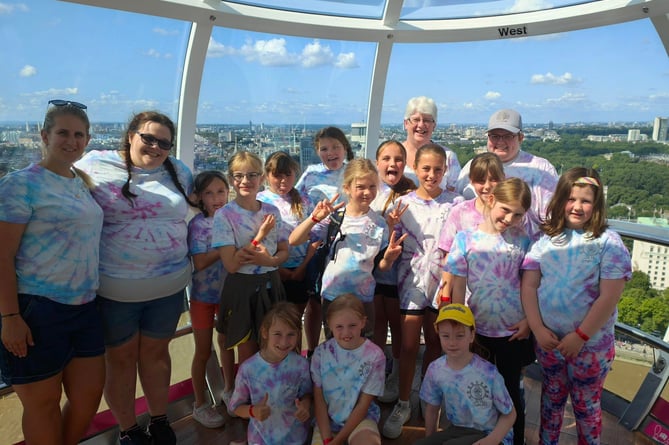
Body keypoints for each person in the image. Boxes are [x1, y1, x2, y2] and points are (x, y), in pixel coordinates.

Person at [76, 111, 194, 445]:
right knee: (122, 360)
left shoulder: (179, 171)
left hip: (170, 288)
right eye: (148, 138)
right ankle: (129, 429)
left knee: (157, 356)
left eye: (164, 143)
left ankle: (159, 420)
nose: (155, 147)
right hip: (115, 290)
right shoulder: (94, 164)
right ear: (131, 135)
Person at [0, 100, 105, 445]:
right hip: (37, 310)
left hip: (86, 307)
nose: (71, 141)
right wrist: (10, 316)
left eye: (78, 134)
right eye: (63, 132)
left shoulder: (82, 182)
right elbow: (2, 256)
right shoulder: (20, 185)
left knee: (88, 399)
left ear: (87, 140)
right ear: (45, 135)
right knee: (42, 407)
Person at [521, 168, 632, 445]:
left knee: (586, 406)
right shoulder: (544, 240)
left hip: (590, 346)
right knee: (551, 400)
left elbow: (608, 297)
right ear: (560, 200)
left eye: (586, 201)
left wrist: (580, 336)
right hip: (549, 341)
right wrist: (537, 328)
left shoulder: (609, 243)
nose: (577, 207)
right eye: (571, 199)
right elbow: (529, 286)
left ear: (596, 205)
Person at [383, 143, 463, 440]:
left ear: (445, 171)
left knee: (434, 342)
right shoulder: (401, 204)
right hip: (410, 281)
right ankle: (404, 402)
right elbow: (390, 246)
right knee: (406, 345)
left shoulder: (455, 204)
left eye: (438, 169)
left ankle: (428, 399)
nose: (431, 175)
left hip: (443, 281)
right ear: (415, 169)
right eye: (426, 168)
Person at [445, 178, 533, 445]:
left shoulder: (524, 241)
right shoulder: (465, 239)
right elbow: (457, 284)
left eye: (518, 214)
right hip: (478, 330)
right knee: (476, 388)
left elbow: (532, 285)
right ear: (492, 200)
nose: (509, 218)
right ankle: (476, 437)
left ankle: (514, 440)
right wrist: (461, 329)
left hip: (512, 331)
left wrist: (529, 321)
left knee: (510, 392)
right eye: (505, 209)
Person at [289, 159, 405, 337]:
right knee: (334, 345)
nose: (367, 192)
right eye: (360, 187)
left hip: (364, 297)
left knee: (362, 348)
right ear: (347, 188)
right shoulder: (334, 218)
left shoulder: (380, 223)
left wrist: (388, 258)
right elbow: (294, 240)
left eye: (372, 186)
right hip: (333, 295)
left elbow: (381, 267)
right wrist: (314, 218)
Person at [212, 151, 288, 372]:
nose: (245, 181)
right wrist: (259, 237)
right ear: (231, 179)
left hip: (271, 283)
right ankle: (250, 401)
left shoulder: (272, 211)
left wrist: (270, 260)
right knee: (247, 352)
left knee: (274, 346)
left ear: (262, 178)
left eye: (252, 175)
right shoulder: (224, 215)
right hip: (243, 288)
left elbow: (284, 251)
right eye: (239, 175)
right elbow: (232, 265)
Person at [416, 304, 516, 445]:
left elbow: (510, 414)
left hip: (490, 433)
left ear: (472, 335)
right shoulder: (435, 369)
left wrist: (492, 440)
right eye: (446, 336)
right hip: (459, 430)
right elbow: (432, 409)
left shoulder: (488, 373)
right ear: (438, 335)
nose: (452, 342)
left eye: (460, 336)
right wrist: (430, 440)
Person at [295, 126, 355, 356]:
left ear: (345, 148)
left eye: (336, 147)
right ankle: (313, 350)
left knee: (341, 300)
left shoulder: (353, 170)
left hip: (346, 243)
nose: (331, 153)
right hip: (318, 245)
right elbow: (293, 198)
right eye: (324, 149)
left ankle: (340, 347)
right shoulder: (311, 174)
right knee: (315, 302)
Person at [456, 108, 558, 240]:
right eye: (495, 136)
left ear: (521, 137)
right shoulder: (473, 166)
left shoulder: (541, 169)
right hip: (475, 249)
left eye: (508, 136)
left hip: (526, 251)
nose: (500, 141)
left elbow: (553, 219)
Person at [229, 302, 312, 445]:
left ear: (298, 335)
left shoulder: (301, 365)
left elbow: (307, 394)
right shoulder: (248, 369)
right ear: (265, 332)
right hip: (260, 439)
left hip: (296, 439)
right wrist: (252, 411)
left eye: (291, 334)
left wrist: (305, 405)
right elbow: (236, 407)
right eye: (277, 334)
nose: (284, 341)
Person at [370, 140, 414, 405]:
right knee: (377, 321)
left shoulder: (410, 194)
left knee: (396, 324)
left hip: (398, 272)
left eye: (398, 159)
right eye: (386, 158)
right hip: (374, 270)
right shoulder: (371, 191)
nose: (392, 164)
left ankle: (397, 371)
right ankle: (378, 368)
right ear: (377, 162)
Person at [310, 294, 386, 445]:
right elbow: (319, 400)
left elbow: (363, 405)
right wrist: (327, 440)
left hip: (361, 419)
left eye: (352, 325)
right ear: (329, 325)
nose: (346, 332)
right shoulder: (320, 353)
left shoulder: (375, 356)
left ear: (363, 322)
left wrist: (337, 441)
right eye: (339, 326)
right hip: (327, 418)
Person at [187, 170, 231, 428]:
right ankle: (199, 404)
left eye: (221, 191)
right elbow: (200, 262)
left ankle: (229, 389)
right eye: (209, 193)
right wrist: (224, 246)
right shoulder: (198, 225)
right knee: (202, 351)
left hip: (227, 294)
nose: (216, 198)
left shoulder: (232, 219)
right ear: (200, 198)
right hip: (203, 296)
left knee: (227, 342)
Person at [257, 152, 314, 351]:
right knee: (272, 323)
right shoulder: (260, 200)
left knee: (294, 324)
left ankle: (295, 362)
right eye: (277, 175)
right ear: (267, 176)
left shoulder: (304, 201)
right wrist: (275, 266)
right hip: (271, 270)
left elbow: (315, 237)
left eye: (288, 175)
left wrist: (303, 267)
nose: (283, 180)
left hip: (301, 269)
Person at [436, 152, 505, 303]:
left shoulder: (510, 214)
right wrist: (445, 291)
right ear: (472, 181)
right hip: (464, 297)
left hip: (502, 299)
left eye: (493, 180)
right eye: (481, 181)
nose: (487, 186)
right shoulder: (460, 211)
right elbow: (448, 255)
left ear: (503, 179)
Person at [401, 96, 461, 192]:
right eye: (416, 119)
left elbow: (454, 196)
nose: (421, 125)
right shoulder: (394, 155)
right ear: (406, 123)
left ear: (434, 125)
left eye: (427, 120)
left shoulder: (448, 157)